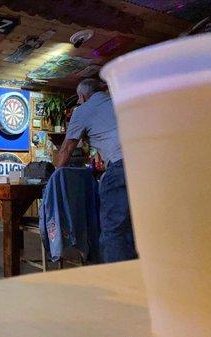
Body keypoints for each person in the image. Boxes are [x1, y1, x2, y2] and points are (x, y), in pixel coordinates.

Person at [54, 78, 137, 263]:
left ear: (82, 96)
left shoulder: (82, 110)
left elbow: (67, 149)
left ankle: (116, 281)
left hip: (120, 166)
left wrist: (54, 178)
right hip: (145, 165)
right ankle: (135, 279)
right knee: (134, 227)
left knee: (113, 229)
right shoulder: (117, 101)